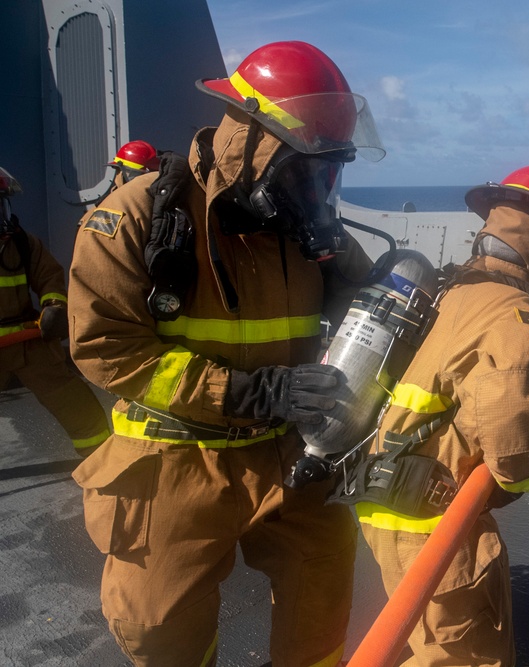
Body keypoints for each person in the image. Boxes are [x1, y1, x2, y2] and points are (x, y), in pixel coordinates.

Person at [68, 41, 385, 666]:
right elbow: (107, 348)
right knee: (157, 628)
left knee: (322, 602)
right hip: (174, 459)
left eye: (328, 170)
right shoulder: (134, 219)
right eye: (307, 167)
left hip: (293, 456)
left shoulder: (304, 224)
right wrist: (249, 392)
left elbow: (372, 297)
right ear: (255, 144)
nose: (320, 187)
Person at [354, 165, 529, 666]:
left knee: (425, 642)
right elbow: (514, 448)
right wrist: (519, 476)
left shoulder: (455, 290)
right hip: (433, 519)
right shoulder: (511, 315)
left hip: (389, 500)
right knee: (463, 657)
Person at [0, 166, 110, 456]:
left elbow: (48, 276)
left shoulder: (22, 243)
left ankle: (98, 456)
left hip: (26, 342)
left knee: (72, 401)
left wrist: (54, 306)